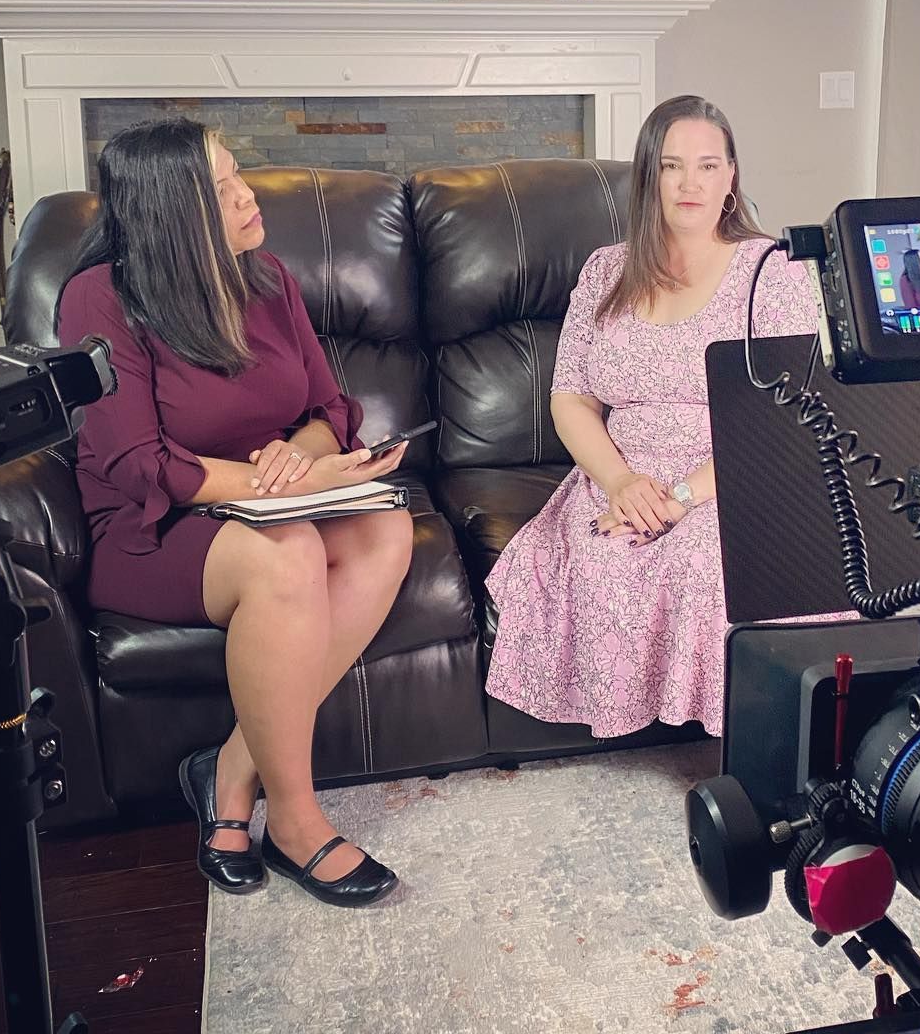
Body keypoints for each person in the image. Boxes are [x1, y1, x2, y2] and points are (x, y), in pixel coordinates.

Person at [56, 119, 412, 908]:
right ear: (170, 209)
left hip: (272, 501)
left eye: (237, 172)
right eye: (222, 188)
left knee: (388, 527)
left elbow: (330, 405)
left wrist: (308, 455)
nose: (249, 194)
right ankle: (294, 821)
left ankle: (227, 772)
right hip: (153, 528)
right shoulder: (99, 297)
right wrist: (267, 486)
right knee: (286, 556)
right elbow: (137, 463)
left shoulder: (267, 279)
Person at [483, 95, 856, 739]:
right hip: (618, 472)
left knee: (706, 562)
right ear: (647, 177)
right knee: (601, 560)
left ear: (732, 177)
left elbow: (782, 416)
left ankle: (737, 737)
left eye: (709, 166)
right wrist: (623, 484)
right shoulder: (606, 271)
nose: (690, 184)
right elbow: (570, 396)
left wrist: (683, 497)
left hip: (731, 472)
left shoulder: (773, 275)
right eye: (672, 166)